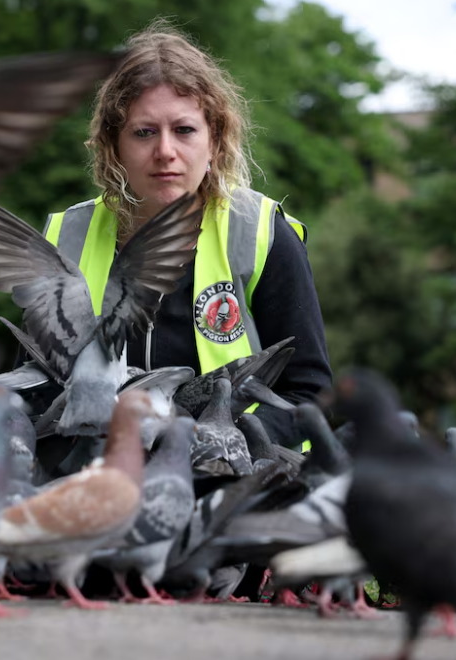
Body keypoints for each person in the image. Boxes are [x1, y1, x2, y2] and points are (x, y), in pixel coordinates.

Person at [42, 22, 332, 447]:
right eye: (144, 132)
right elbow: (34, 390)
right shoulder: (64, 238)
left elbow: (310, 396)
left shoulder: (263, 234)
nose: (165, 151)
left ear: (214, 141)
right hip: (95, 480)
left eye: (184, 130)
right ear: (113, 145)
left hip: (238, 482)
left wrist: (219, 447)